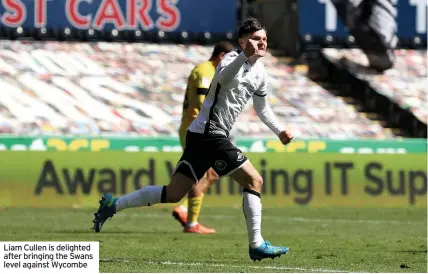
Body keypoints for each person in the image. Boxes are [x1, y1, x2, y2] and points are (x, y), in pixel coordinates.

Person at [92, 17, 294, 261]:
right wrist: (242, 55)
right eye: (255, 39)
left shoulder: (261, 73)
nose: (261, 43)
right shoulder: (230, 59)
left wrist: (279, 130)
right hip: (210, 134)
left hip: (201, 136)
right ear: (242, 42)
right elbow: (223, 80)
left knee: (174, 193)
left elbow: (262, 108)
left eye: (263, 39)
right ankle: (257, 244)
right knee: (254, 180)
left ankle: (114, 205)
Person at [173, 41, 235, 234]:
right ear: (222, 56)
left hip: (200, 129)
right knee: (205, 173)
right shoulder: (204, 71)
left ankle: (184, 210)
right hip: (196, 130)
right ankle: (191, 223)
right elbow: (202, 104)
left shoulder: (211, 72)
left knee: (212, 173)